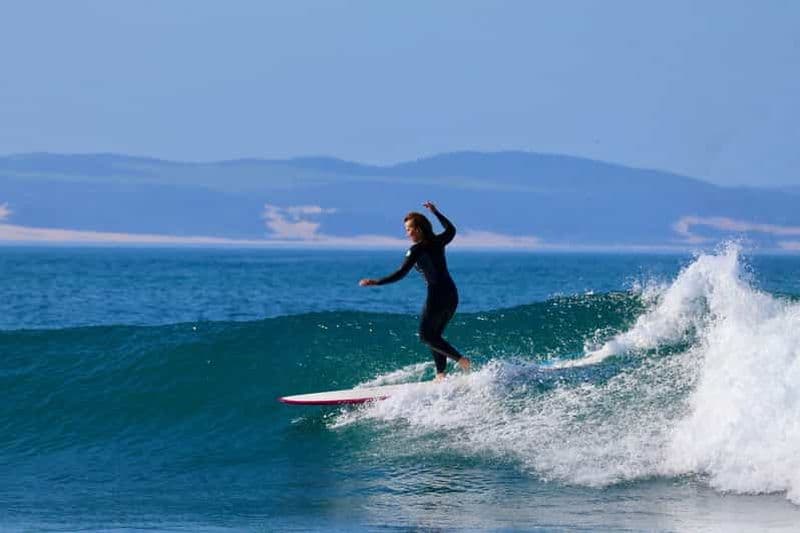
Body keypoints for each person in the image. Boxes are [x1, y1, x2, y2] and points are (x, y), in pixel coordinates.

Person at [360, 201, 471, 381]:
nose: (407, 233)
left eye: (409, 229)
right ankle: (441, 375)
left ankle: (462, 360)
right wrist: (436, 212)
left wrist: (376, 282)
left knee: (426, 336)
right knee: (435, 336)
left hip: (437, 295)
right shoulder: (438, 241)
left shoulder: (417, 250)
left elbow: (400, 273)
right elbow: (451, 229)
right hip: (452, 295)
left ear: (418, 229)